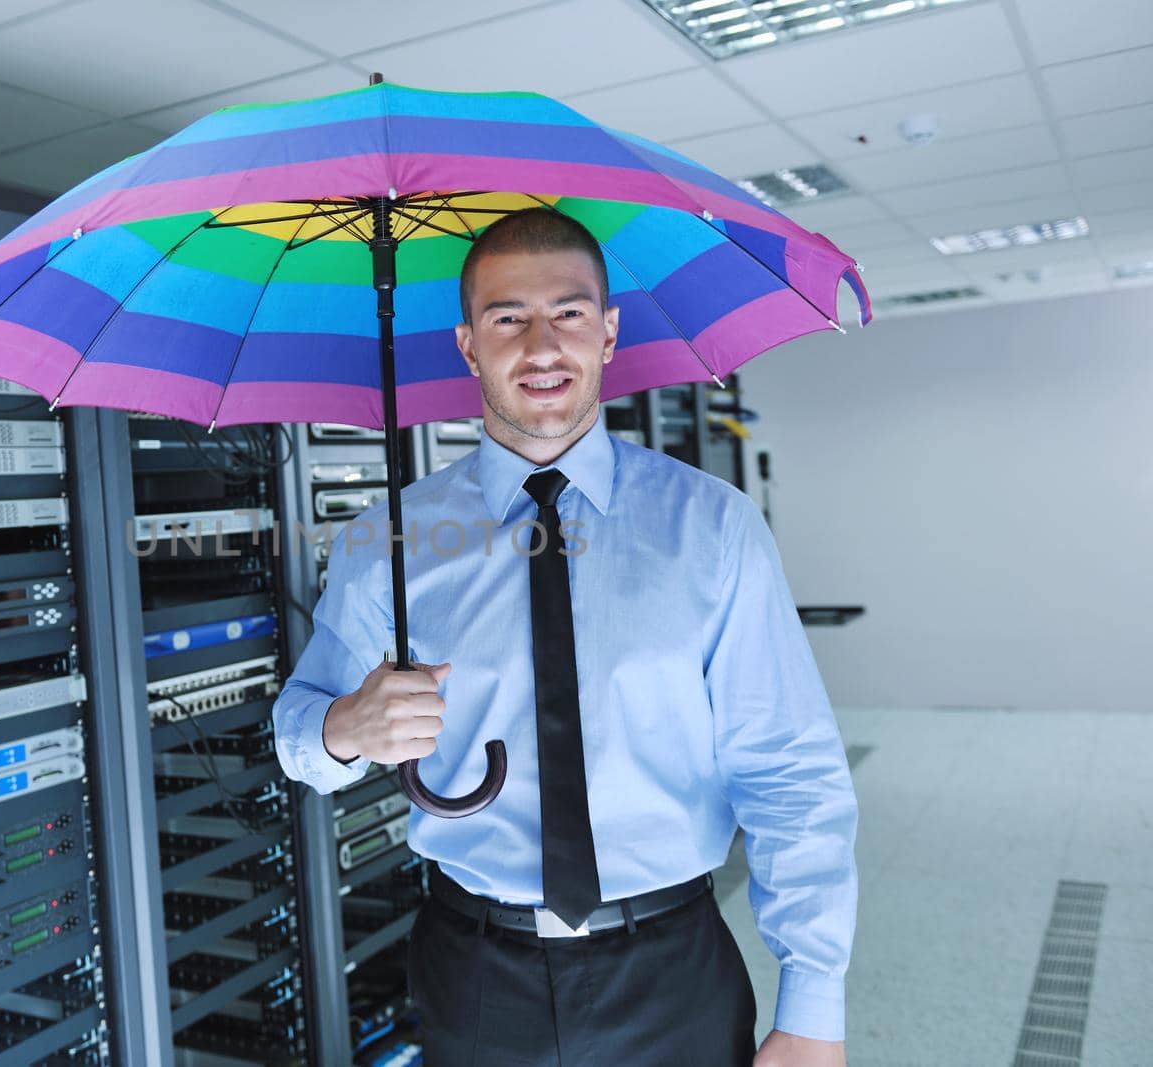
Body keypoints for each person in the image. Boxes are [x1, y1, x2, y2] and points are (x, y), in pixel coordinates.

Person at [272, 207, 857, 1067]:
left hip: (671, 963)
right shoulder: (386, 541)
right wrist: (343, 729)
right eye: (508, 318)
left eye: (570, 313)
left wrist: (813, 1003)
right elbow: (297, 734)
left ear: (609, 332)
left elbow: (787, 765)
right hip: (474, 969)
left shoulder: (713, 527)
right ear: (469, 344)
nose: (542, 346)